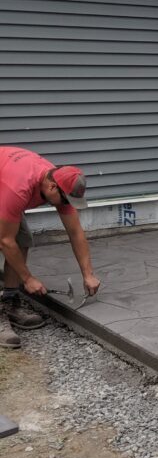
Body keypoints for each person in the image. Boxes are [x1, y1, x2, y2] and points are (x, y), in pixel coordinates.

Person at [0, 146, 101, 349]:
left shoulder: (59, 182)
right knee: (8, 239)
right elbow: (5, 241)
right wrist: (27, 278)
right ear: (53, 188)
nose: (66, 205)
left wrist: (88, 274)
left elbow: (75, 232)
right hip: (6, 185)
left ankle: (8, 302)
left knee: (22, 240)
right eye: (66, 200)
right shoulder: (18, 188)